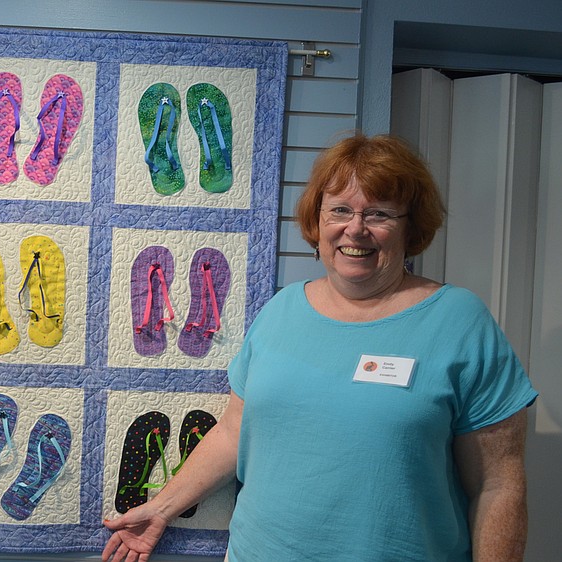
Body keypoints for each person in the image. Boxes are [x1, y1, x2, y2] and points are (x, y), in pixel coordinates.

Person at [102, 133, 538, 562]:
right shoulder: (282, 310)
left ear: (411, 227)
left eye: (379, 213)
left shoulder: (459, 321)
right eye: (340, 210)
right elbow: (234, 432)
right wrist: (161, 508)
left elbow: (498, 485)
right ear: (318, 220)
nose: (356, 229)